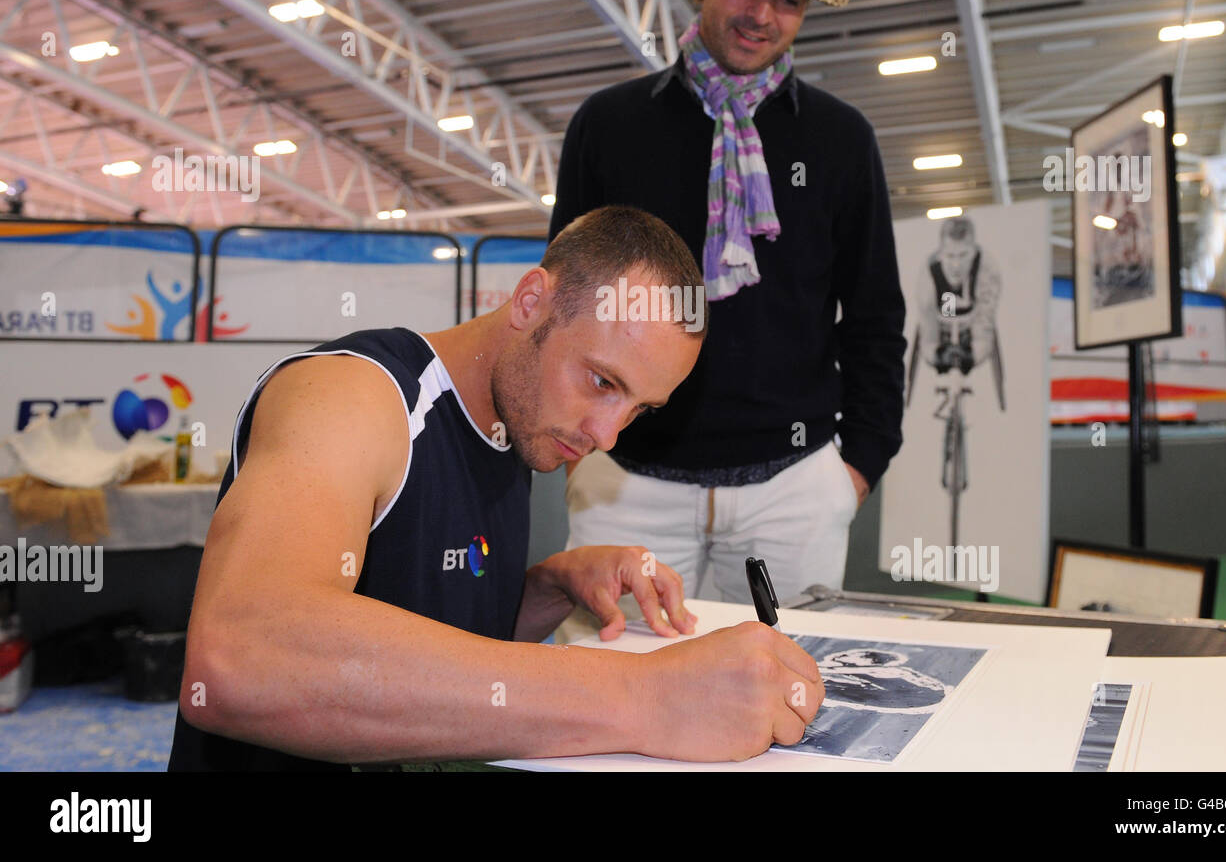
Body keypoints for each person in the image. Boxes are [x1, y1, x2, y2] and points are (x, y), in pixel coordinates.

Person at [167, 206, 824, 770]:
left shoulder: (516, 426)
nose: (608, 434)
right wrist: (644, 694)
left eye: (639, 409)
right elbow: (240, 655)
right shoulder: (351, 395)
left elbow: (433, 661)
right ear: (532, 301)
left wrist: (549, 589)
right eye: (602, 381)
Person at [548, 0, 906, 605]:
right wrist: (583, 454)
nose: (762, 15)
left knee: (781, 711)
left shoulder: (842, 140)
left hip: (794, 492)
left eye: (787, 0)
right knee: (615, 699)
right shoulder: (610, 127)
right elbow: (564, 303)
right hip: (628, 487)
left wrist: (856, 469)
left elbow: (874, 320)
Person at [914, 217, 1001, 378]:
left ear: (973, 252)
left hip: (973, 326)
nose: (956, 265)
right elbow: (928, 331)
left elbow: (985, 325)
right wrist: (937, 354)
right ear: (941, 253)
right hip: (942, 324)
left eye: (963, 255)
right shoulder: (929, 273)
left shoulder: (987, 270)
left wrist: (972, 354)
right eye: (950, 256)